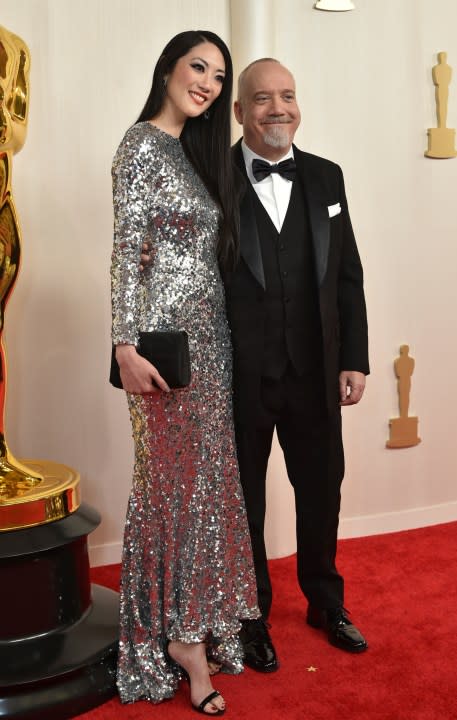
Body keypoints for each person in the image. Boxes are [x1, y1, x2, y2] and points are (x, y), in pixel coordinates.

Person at [111, 31, 259, 715]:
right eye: (197, 66)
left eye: (217, 75)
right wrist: (122, 346)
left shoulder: (197, 155)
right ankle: (177, 645)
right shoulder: (140, 145)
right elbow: (124, 254)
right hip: (161, 351)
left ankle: (201, 625)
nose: (206, 81)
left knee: (207, 492)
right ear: (168, 67)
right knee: (173, 493)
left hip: (213, 344)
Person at [225, 58, 370, 672]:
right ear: (239, 112)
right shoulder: (212, 176)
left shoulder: (327, 177)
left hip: (316, 372)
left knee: (320, 492)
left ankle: (325, 601)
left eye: (287, 96)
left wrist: (356, 358)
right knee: (244, 503)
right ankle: (251, 613)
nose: (277, 108)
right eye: (262, 98)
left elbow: (346, 273)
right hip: (242, 375)